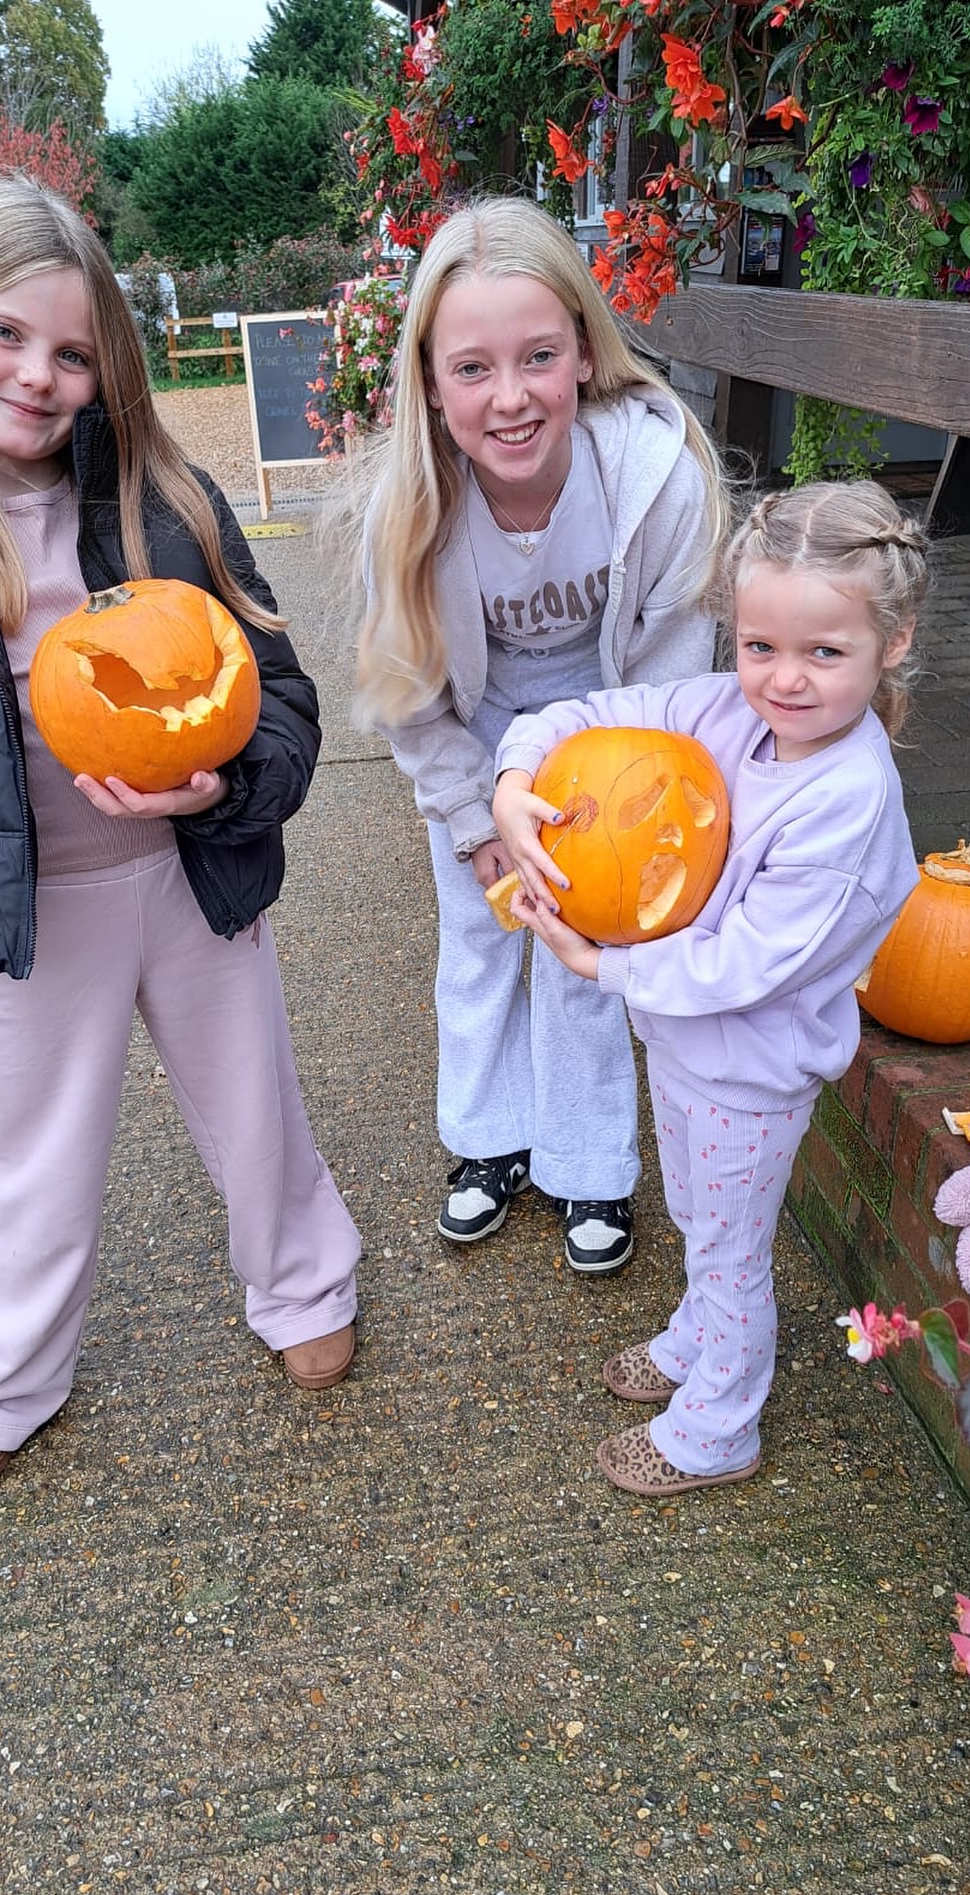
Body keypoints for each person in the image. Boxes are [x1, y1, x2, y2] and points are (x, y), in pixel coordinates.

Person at [0, 178, 360, 1506]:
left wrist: (227, 793)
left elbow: (283, 693)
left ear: (110, 363)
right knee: (33, 1167)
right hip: (25, 914)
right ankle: (5, 1377)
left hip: (185, 875)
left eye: (74, 351)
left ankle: (304, 1279)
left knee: (256, 1105)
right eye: (6, 335)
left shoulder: (165, 497)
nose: (40, 376)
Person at [492, 480, 927, 1496]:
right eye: (759, 645)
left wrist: (605, 966)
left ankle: (718, 1427)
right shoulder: (727, 711)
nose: (783, 679)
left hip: (752, 1069)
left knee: (732, 1251)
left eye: (825, 653)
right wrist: (517, 780)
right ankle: (693, 1340)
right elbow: (594, 714)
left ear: (893, 642)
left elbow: (747, 960)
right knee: (695, 1213)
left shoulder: (848, 801)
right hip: (683, 1045)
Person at [353, 195, 733, 1276]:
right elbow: (409, 693)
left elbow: (667, 681)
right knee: (479, 943)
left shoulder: (657, 482)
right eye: (471, 369)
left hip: (611, 749)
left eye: (538, 358)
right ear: (429, 381)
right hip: (476, 744)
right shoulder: (412, 511)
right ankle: (487, 1144)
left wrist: (620, 812)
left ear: (583, 353)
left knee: (584, 954)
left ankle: (592, 1164)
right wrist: (477, 817)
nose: (510, 398)